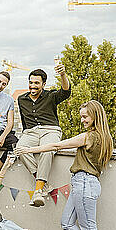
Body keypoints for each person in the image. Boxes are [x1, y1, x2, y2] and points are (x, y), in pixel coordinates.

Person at [16, 100, 113, 230]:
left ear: (95, 116)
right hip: (86, 183)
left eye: (85, 116)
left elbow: (56, 145)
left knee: (88, 227)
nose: (82, 120)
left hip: (84, 183)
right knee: (67, 222)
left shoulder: (90, 136)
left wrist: (29, 149)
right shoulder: (107, 138)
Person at [17, 62, 71, 207]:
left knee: (47, 150)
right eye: (31, 82)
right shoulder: (21, 99)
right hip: (31, 132)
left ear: (44, 84)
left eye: (36, 83)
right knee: (19, 148)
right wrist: (25, 135)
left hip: (50, 130)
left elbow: (66, 91)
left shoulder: (51, 96)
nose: (33, 86)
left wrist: (62, 74)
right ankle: (41, 183)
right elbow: (24, 121)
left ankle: (38, 192)